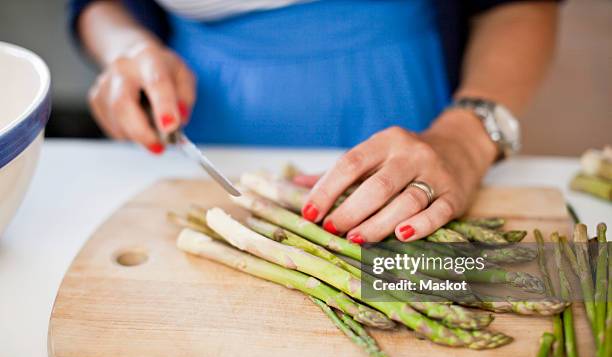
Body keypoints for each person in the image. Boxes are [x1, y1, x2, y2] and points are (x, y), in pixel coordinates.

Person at [70, 0, 559, 243]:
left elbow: (518, 6)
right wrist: (126, 47)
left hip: (403, 97)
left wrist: (466, 138)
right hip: (200, 111)